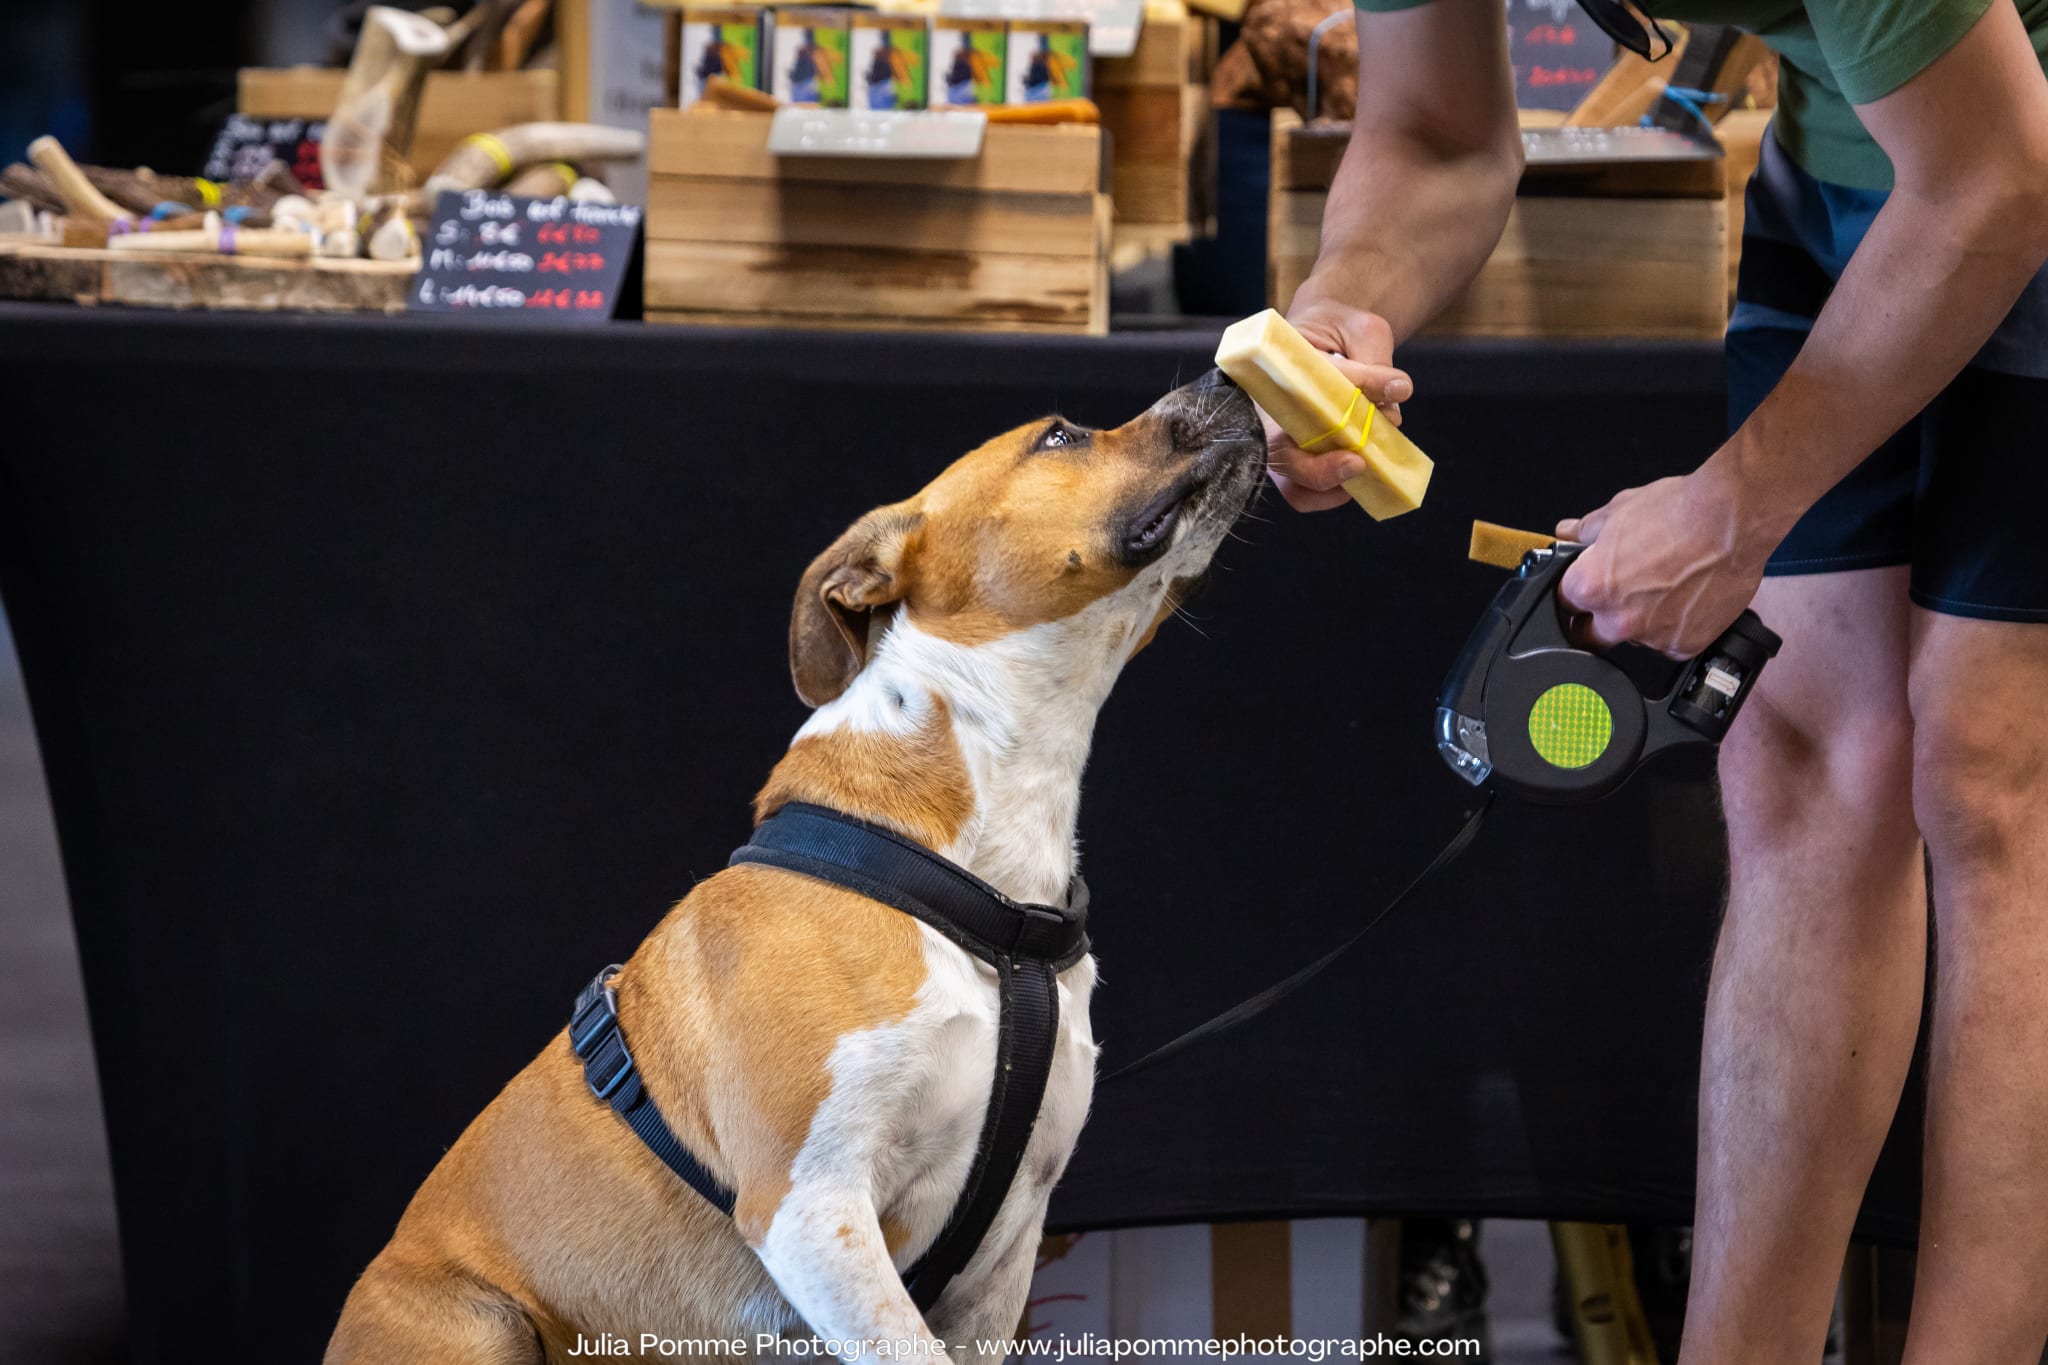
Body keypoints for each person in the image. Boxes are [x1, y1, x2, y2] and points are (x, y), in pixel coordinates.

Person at [1269, 1, 2048, 1359]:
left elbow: (1999, 176)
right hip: (1856, 161)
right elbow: (1438, 131)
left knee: (1988, 770)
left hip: (2012, 149)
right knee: (1800, 754)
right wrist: (1349, 298)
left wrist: (1738, 507)